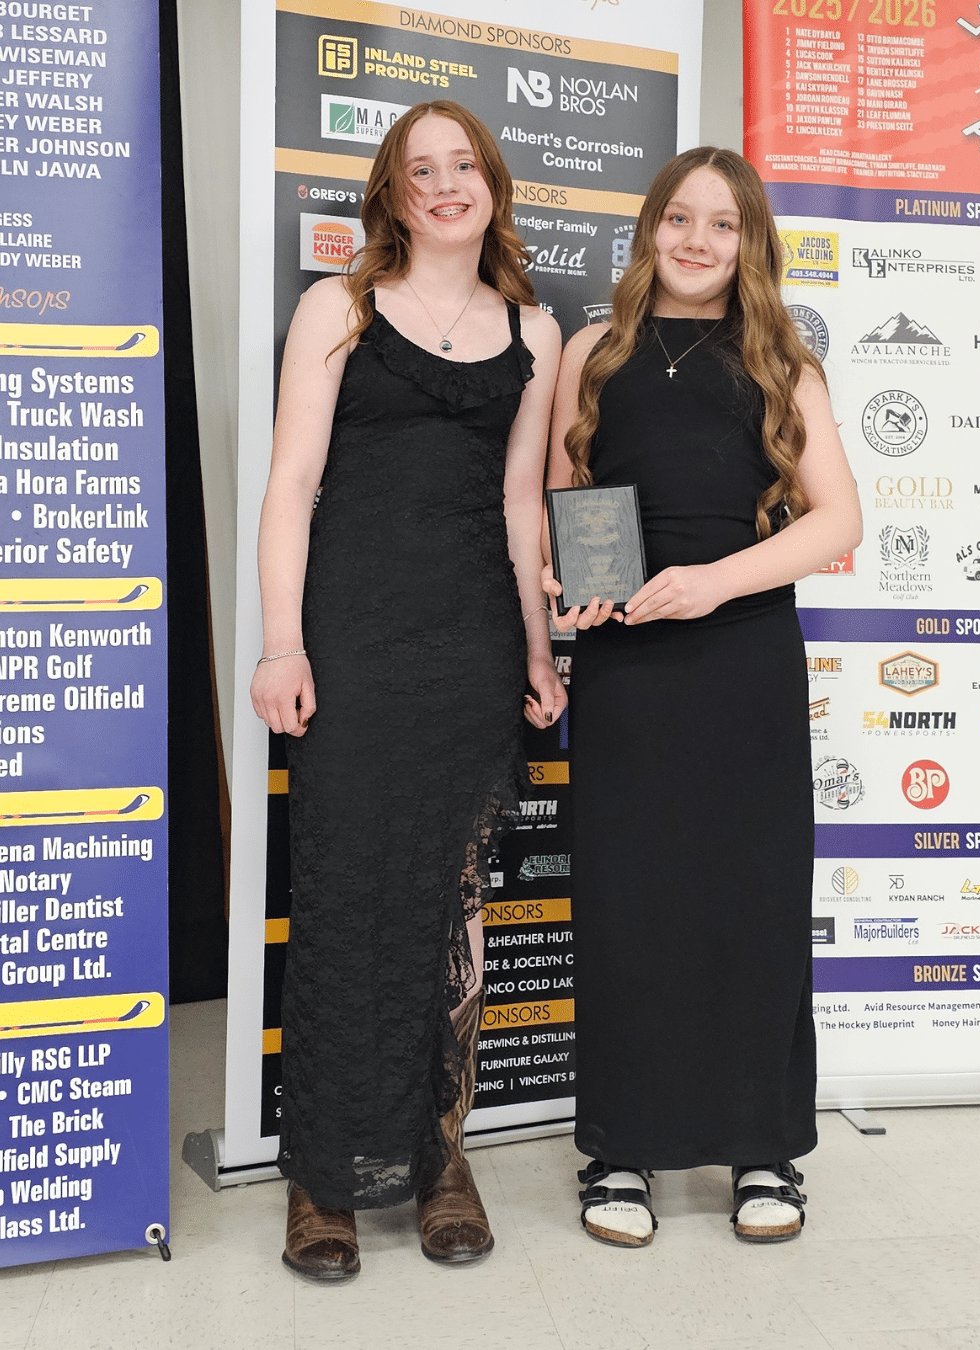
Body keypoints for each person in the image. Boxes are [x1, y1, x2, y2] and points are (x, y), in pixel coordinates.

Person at [251, 100, 564, 1281]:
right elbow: (291, 484)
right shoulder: (337, 307)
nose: (444, 184)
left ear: (492, 185)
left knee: (452, 904)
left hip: (473, 638)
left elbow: (523, 502)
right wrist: (282, 644)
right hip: (352, 633)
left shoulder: (536, 329)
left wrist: (537, 649)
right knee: (345, 893)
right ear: (392, 192)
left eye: (463, 165)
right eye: (419, 169)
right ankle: (323, 1178)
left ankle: (442, 1158)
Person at [542, 147, 862, 1246]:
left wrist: (714, 582)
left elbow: (838, 521)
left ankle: (763, 1150)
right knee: (630, 911)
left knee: (752, 905)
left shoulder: (784, 360)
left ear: (749, 241)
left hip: (743, 658)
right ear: (650, 228)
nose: (696, 241)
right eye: (679, 218)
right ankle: (620, 1151)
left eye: (722, 224)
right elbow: (571, 499)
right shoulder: (593, 350)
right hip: (627, 668)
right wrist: (573, 582)